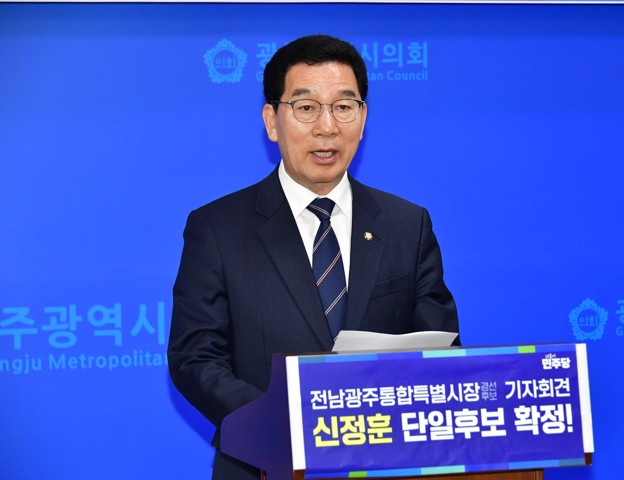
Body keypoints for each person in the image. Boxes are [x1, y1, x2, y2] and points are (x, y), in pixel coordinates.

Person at [167, 34, 459, 480]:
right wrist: (283, 422)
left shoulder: (407, 224)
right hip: (262, 463)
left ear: (363, 118)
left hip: (385, 461)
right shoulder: (218, 228)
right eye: (306, 107)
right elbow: (195, 358)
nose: (327, 127)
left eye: (344, 107)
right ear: (272, 121)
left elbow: (442, 349)